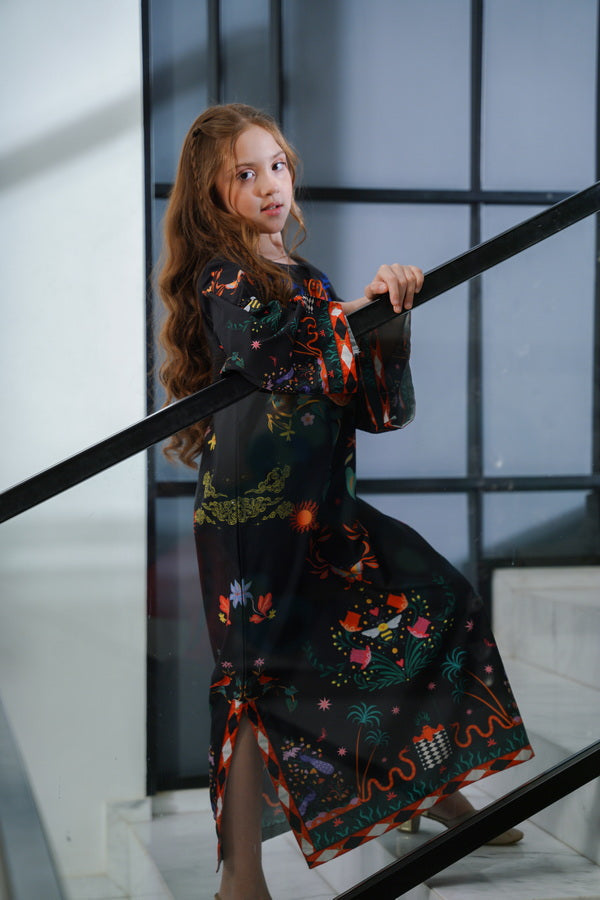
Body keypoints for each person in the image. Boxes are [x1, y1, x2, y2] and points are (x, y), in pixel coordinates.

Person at [158, 103, 533, 900]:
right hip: (253, 519)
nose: (269, 185)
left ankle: (427, 788)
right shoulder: (224, 278)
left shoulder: (308, 280)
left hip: (328, 511)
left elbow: (375, 408)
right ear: (213, 195)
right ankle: (241, 878)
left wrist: (390, 318)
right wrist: (363, 311)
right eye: (245, 174)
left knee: (438, 604)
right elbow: (279, 354)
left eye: (277, 166)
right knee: (255, 682)